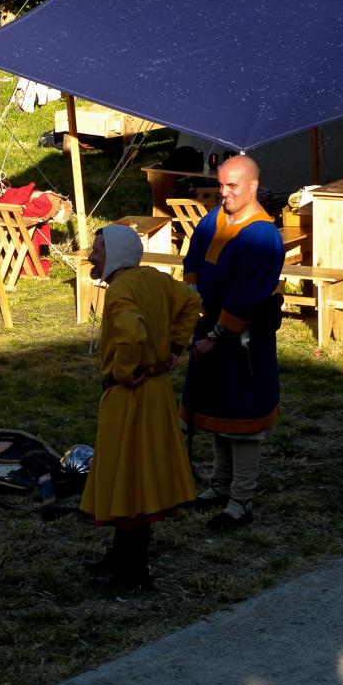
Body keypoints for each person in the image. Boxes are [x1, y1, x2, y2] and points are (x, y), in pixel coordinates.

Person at [80, 225, 201, 588]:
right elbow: (192, 302)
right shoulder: (155, 279)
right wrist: (174, 350)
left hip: (130, 394)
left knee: (128, 477)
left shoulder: (119, 290)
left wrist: (124, 370)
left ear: (115, 253)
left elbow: (132, 332)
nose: (90, 255)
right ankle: (122, 559)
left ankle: (132, 571)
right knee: (138, 476)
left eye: (98, 249)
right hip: (156, 391)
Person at [180, 154, 285, 532]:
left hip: (240, 340)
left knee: (242, 420)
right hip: (207, 329)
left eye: (232, 186)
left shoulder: (262, 237)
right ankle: (218, 486)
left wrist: (217, 336)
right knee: (217, 412)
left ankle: (241, 502)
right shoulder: (215, 218)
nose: (223, 193)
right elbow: (193, 257)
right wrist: (191, 299)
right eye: (221, 184)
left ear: (253, 186)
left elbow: (247, 295)